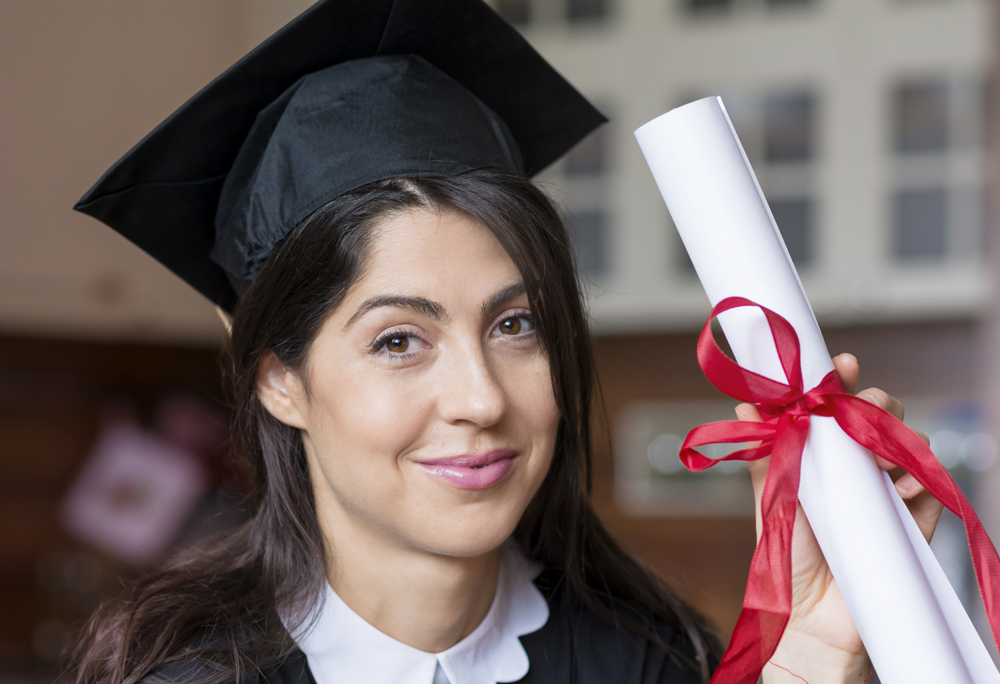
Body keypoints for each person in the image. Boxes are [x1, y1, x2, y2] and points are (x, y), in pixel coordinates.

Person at [66, 1, 943, 683]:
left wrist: (815, 652)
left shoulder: (650, 659)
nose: (482, 398)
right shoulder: (190, 675)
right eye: (400, 340)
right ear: (279, 382)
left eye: (515, 325)